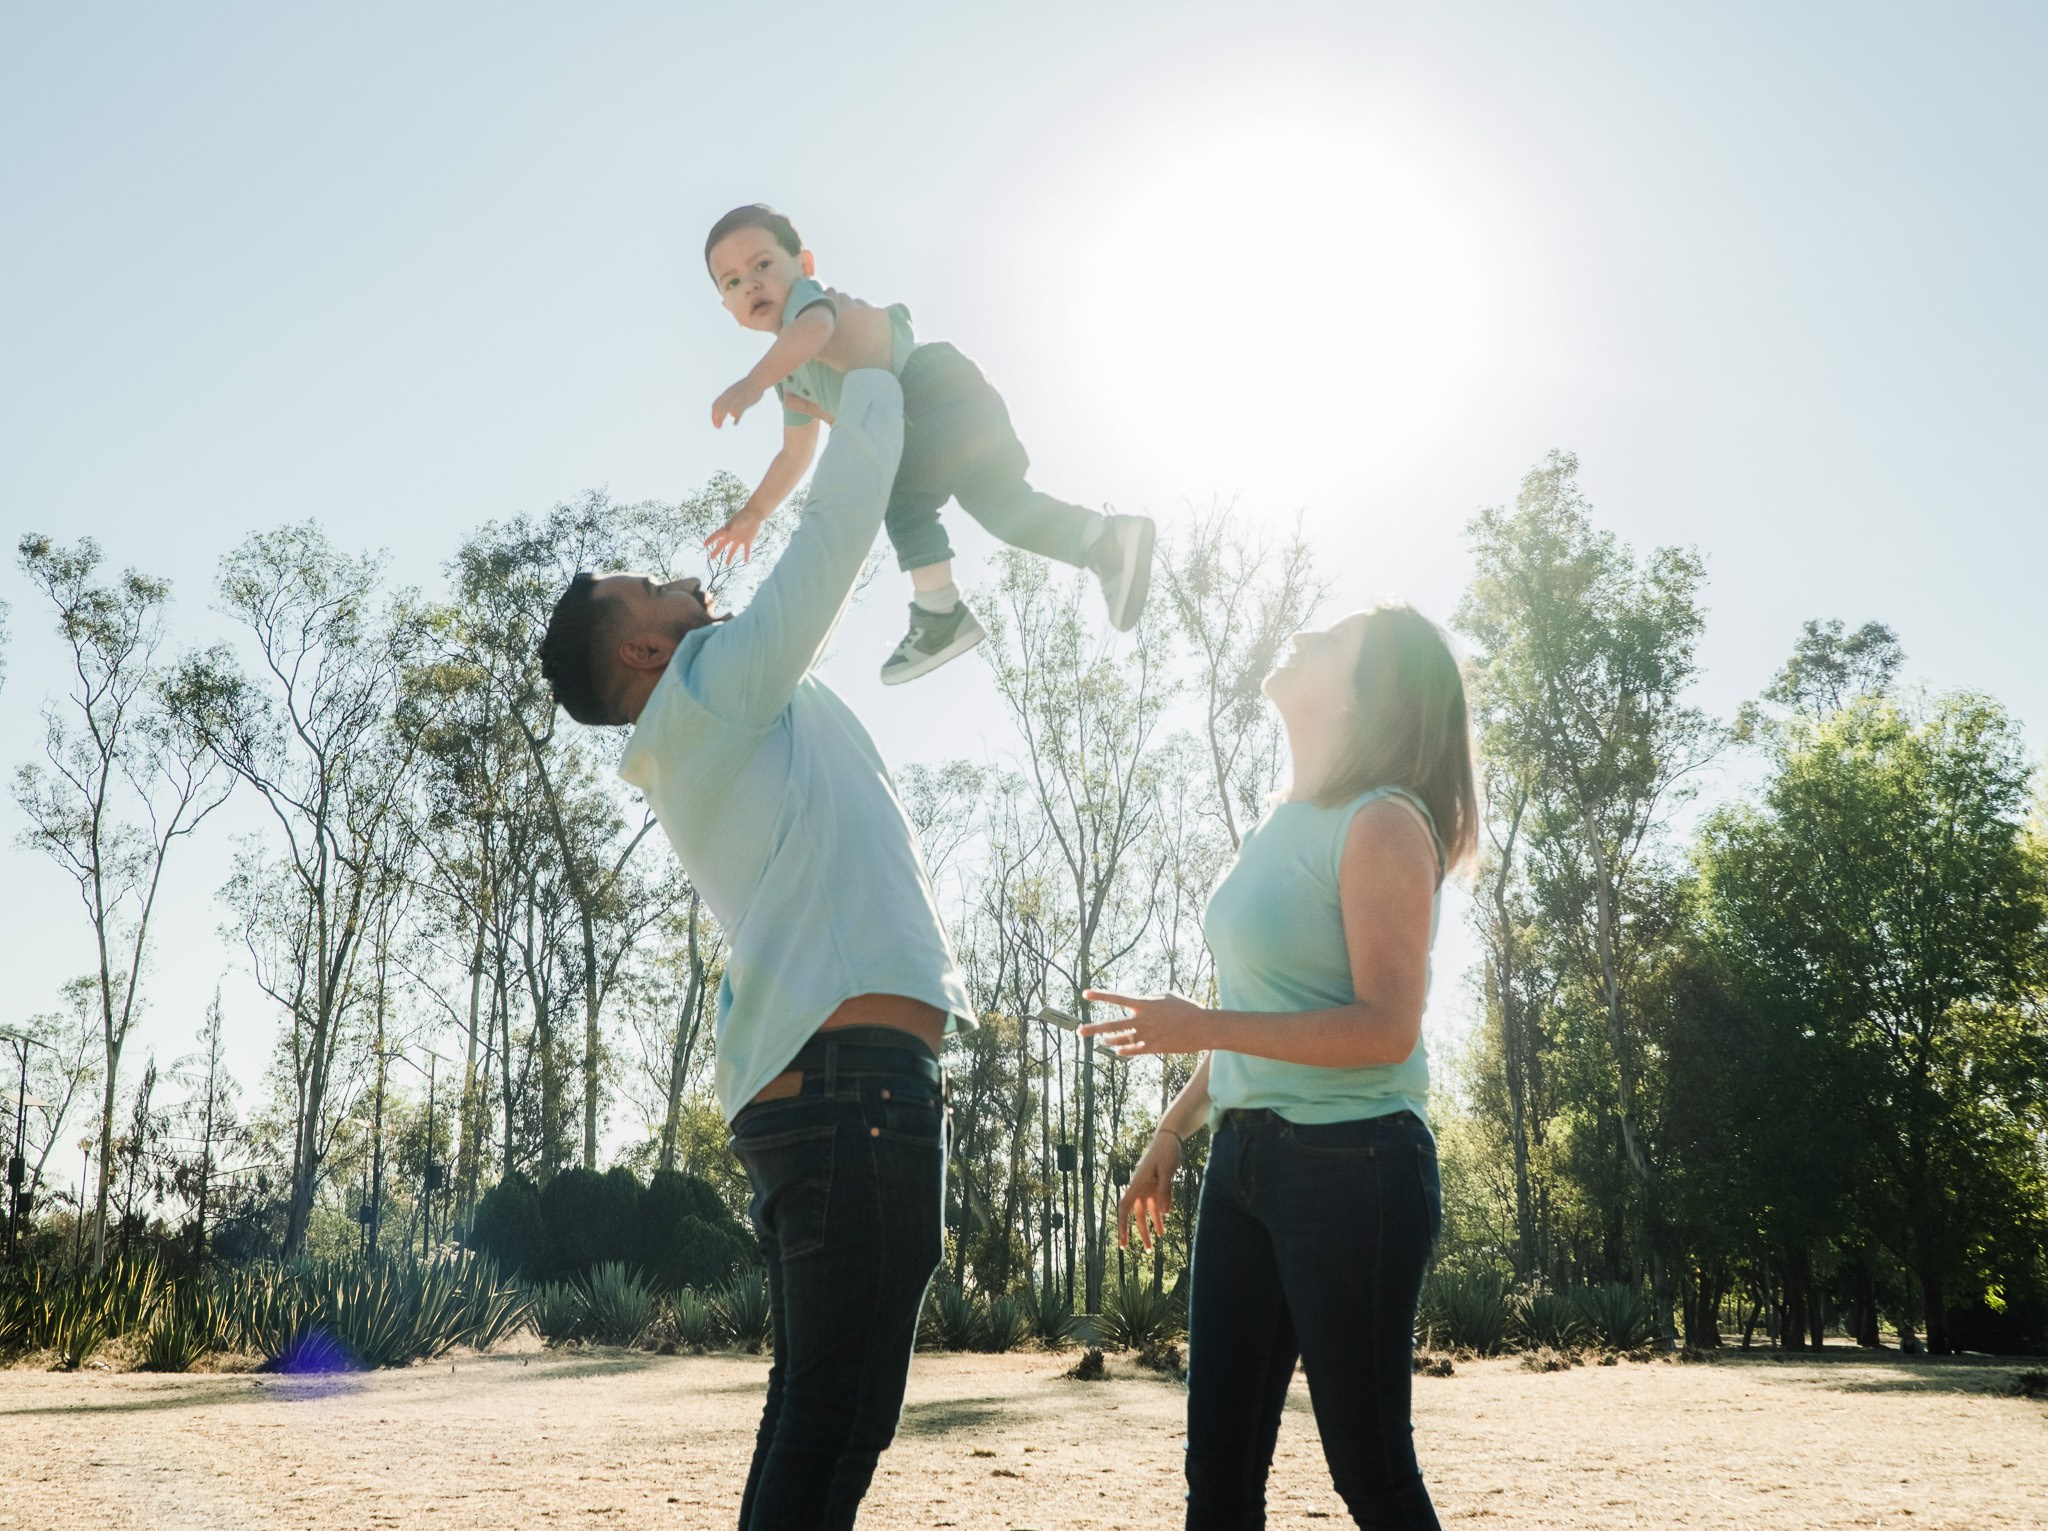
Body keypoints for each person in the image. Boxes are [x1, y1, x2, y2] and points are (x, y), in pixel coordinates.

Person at [538, 370, 973, 1530]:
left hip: (837, 1097)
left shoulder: (722, 708)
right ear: (636, 652)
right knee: (833, 1419)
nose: (680, 577)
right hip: (849, 1099)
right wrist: (870, 377)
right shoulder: (712, 690)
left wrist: (820, 420)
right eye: (650, 586)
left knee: (820, 1414)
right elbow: (830, 541)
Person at [1081, 602, 1479, 1530]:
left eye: (1333, 641)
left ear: (1370, 694)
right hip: (1245, 1168)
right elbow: (1265, 1020)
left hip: (1356, 1166)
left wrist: (1201, 1022)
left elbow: (1385, 1028)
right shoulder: (1282, 823)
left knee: (1371, 1469)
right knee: (1217, 1478)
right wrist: (1174, 1131)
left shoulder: (1383, 821)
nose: (1301, 635)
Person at [698, 202, 1155, 684]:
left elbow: (816, 330)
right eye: (731, 282)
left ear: (804, 266)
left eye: (763, 265)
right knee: (1003, 509)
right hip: (954, 404)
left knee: (895, 488)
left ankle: (939, 612)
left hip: (927, 387)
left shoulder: (805, 306)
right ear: (727, 308)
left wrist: (749, 383)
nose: (750, 283)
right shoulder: (789, 376)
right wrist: (753, 513)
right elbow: (795, 453)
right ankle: (1104, 541)